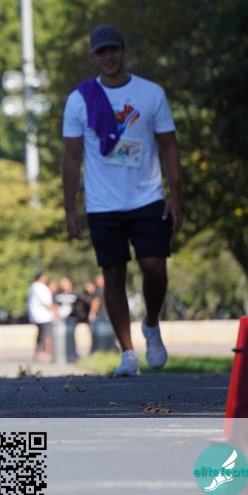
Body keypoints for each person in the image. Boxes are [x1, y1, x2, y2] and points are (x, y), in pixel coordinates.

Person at [62, 24, 183, 377]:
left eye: (113, 50)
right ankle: (128, 353)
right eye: (101, 52)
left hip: (147, 197)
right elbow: (71, 156)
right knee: (113, 273)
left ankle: (151, 323)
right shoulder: (80, 99)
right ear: (92, 57)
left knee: (154, 267)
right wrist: (70, 207)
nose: (108, 57)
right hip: (103, 204)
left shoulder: (151, 93)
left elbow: (169, 146)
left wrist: (176, 196)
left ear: (124, 51)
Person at [27, 270, 57, 362]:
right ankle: (47, 353)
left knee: (40, 335)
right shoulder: (40, 287)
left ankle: (38, 353)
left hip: (36, 315)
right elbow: (47, 303)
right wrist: (55, 312)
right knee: (47, 335)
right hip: (44, 316)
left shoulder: (33, 287)